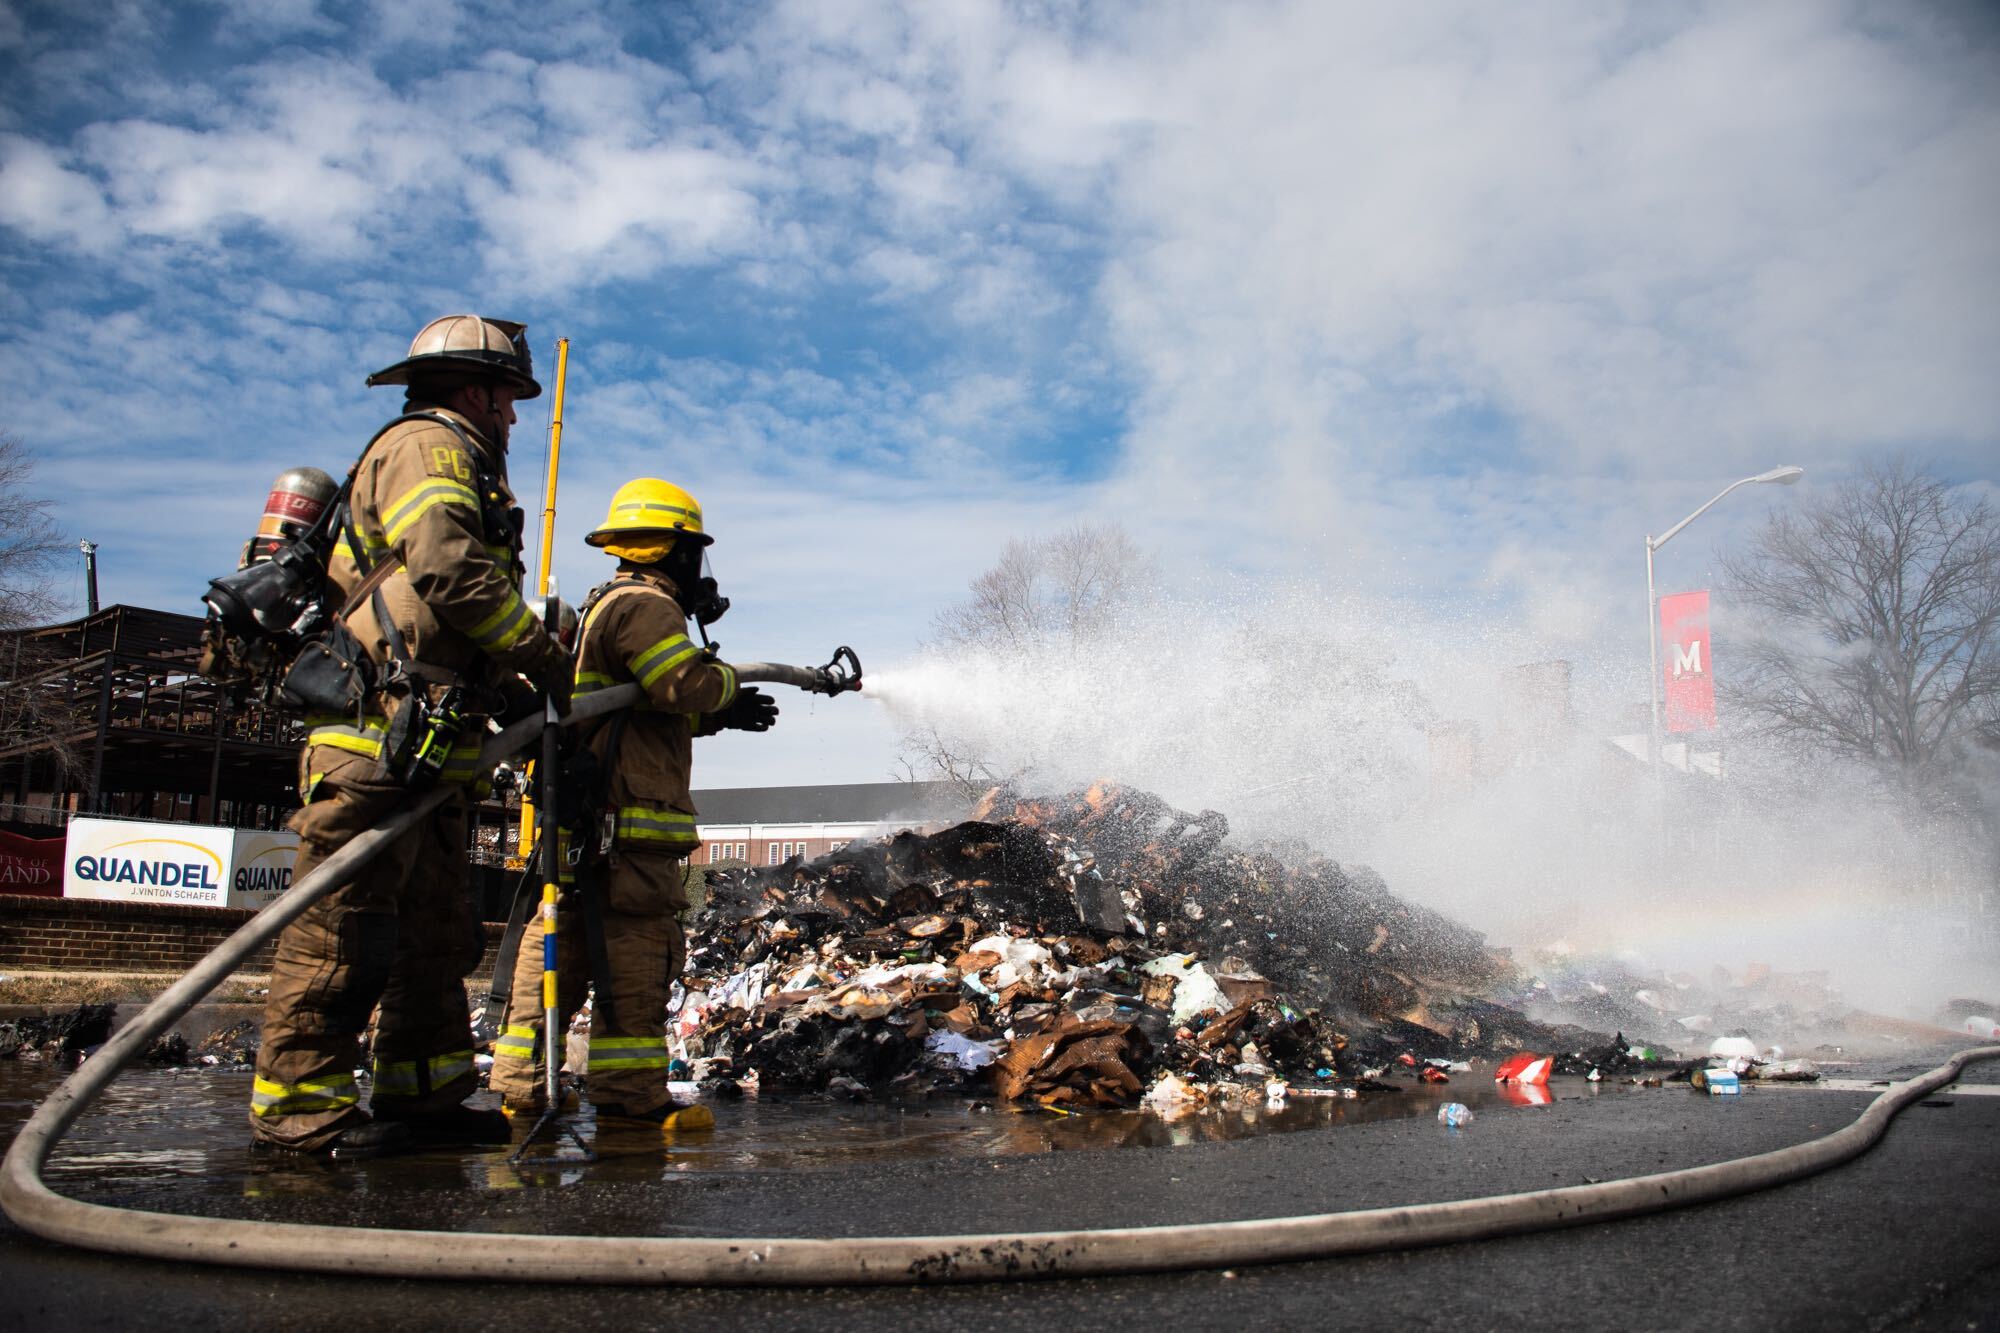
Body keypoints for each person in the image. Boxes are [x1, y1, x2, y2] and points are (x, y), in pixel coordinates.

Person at [249, 315, 573, 1157]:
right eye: (507, 401)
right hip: (373, 735)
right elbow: (445, 569)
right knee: (342, 926)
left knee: (437, 929)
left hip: (432, 742)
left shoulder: (467, 463)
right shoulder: (429, 448)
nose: (512, 419)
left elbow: (455, 622)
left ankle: (420, 1092)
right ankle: (298, 1111)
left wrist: (516, 698)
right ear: (475, 390)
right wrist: (544, 656)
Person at [487, 477, 777, 1130]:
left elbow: (641, 713)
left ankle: (522, 1087)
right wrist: (726, 687)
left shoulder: (606, 604)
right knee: (637, 962)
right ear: (672, 549)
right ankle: (631, 1100)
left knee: (563, 955)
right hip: (629, 836)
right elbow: (681, 681)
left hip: (591, 823)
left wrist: (720, 719)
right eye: (692, 552)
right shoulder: (647, 607)